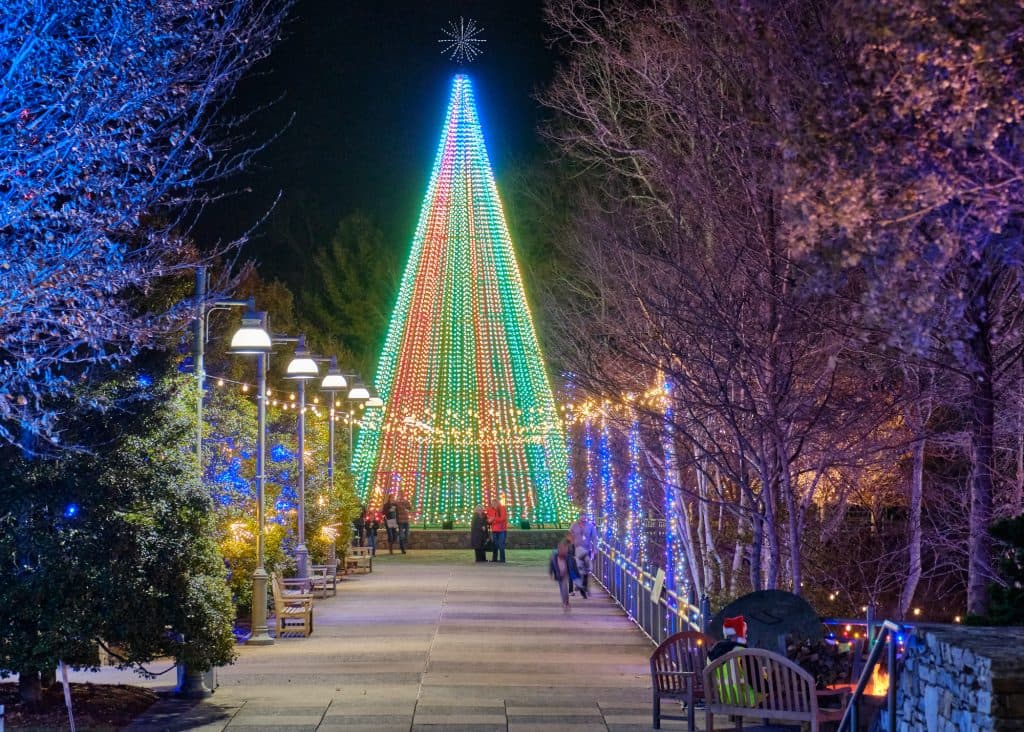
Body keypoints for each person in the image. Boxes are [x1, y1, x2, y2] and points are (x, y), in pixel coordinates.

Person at [569, 513, 598, 596]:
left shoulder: (590, 526)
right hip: (576, 550)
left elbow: (594, 538)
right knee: (578, 568)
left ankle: (585, 587)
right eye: (581, 516)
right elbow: (569, 536)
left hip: (586, 550)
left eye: (584, 516)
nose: (583, 517)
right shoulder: (574, 525)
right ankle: (579, 584)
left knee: (586, 570)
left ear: (586, 517)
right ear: (579, 517)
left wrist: (595, 549)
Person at [549, 538, 580, 611]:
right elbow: (551, 565)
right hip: (559, 574)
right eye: (561, 549)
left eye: (564, 549)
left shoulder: (569, 557)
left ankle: (566, 602)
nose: (563, 551)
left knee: (564, 588)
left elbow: (573, 567)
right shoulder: (554, 557)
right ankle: (565, 602)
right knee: (563, 588)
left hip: (566, 573)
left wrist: (576, 576)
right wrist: (551, 573)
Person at [486, 497, 509, 563]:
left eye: (495, 503)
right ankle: (494, 559)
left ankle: (502, 559)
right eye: (492, 503)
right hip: (494, 530)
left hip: (502, 530)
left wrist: (493, 519)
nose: (494, 504)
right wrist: (490, 520)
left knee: (501, 544)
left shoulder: (502, 508)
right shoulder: (490, 510)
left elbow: (502, 518)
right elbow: (488, 519)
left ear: (498, 503)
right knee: (495, 545)